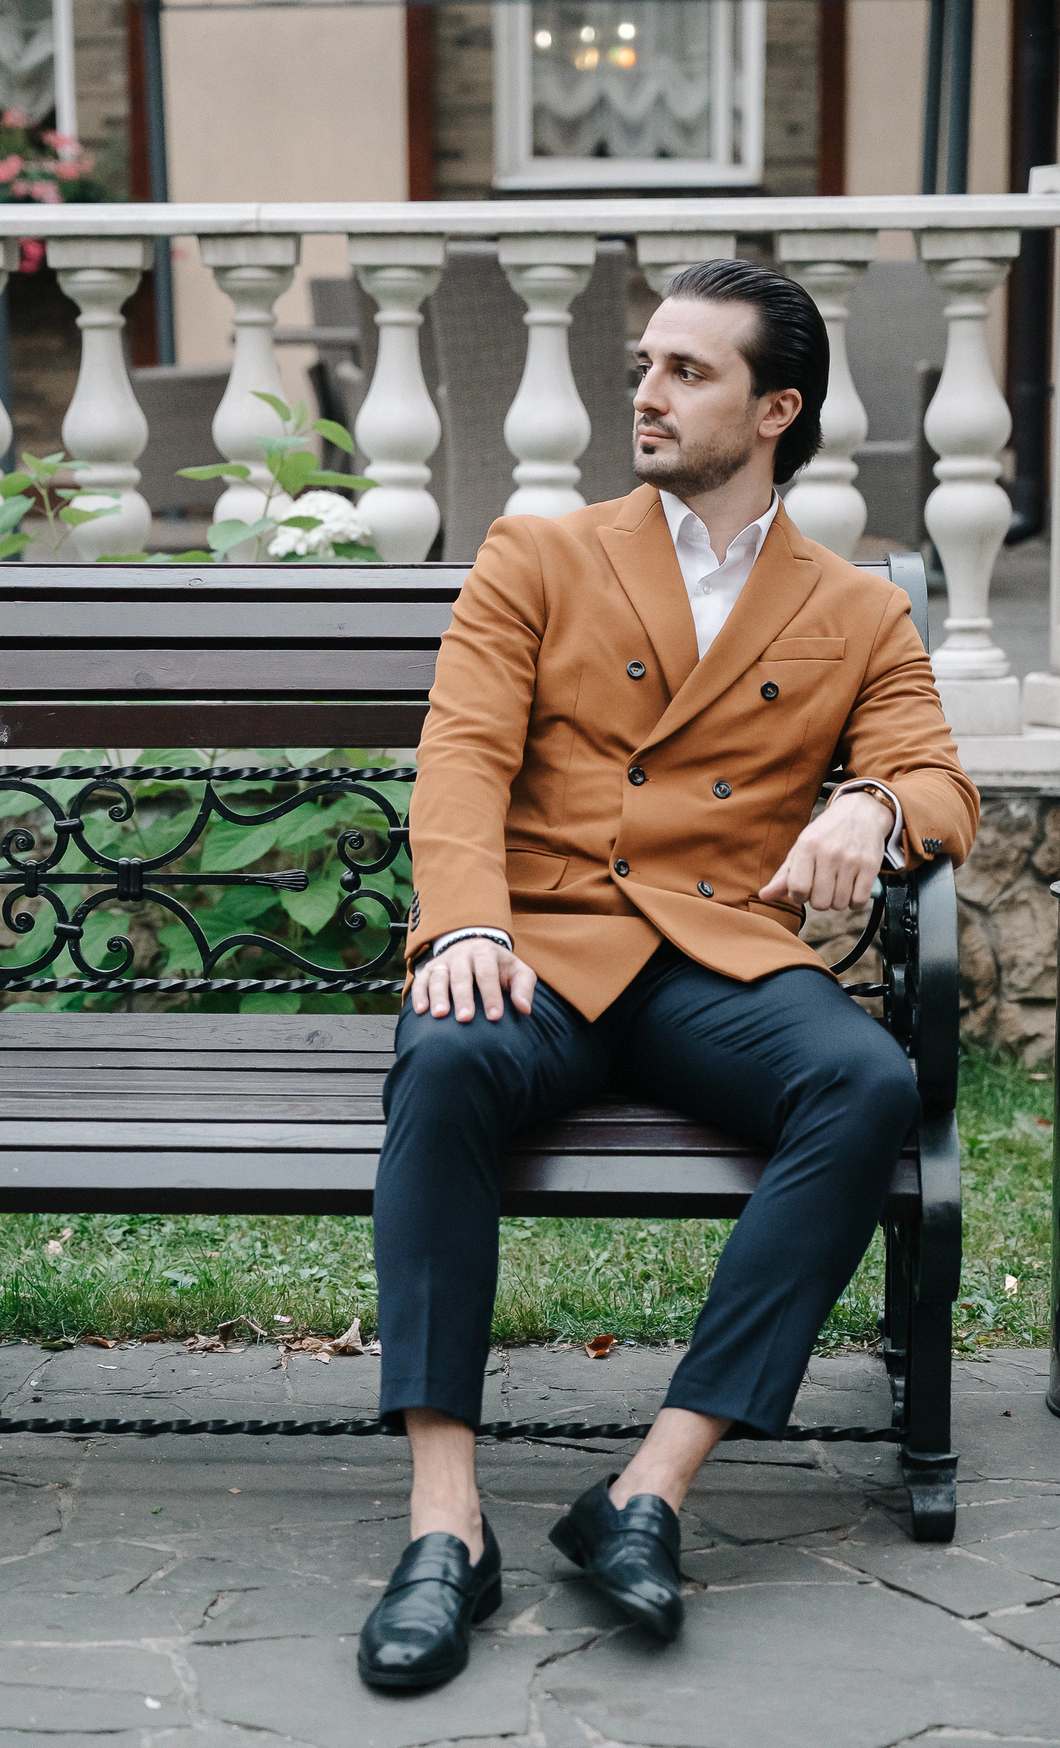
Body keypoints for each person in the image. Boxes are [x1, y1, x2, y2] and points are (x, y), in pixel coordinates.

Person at [356, 258, 979, 1691]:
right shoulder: (540, 555)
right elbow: (461, 757)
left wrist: (873, 804)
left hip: (714, 956)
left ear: (776, 410)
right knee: (444, 1057)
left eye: (687, 372)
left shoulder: (859, 609)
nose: (646, 392)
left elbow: (941, 781)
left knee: (867, 1080)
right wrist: (466, 926)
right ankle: (444, 1522)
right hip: (543, 941)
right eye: (645, 364)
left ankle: (649, 1489)